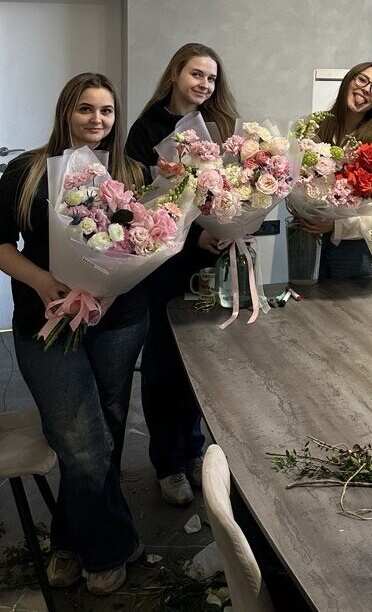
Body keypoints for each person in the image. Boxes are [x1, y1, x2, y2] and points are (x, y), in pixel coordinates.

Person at [0, 73, 147, 595]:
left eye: (106, 111)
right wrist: (43, 282)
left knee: (103, 432)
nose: (97, 119)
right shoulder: (27, 170)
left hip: (117, 323)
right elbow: (1, 244)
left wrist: (111, 289)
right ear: (66, 111)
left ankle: (66, 538)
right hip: (45, 321)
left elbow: (146, 244)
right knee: (82, 441)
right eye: (86, 108)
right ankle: (110, 547)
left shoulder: (131, 172)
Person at [126, 43, 238, 506]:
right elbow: (139, 201)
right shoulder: (145, 129)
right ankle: (168, 463)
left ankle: (194, 451)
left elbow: (230, 191)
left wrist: (228, 227)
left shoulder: (220, 127)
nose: (204, 85)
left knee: (198, 362)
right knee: (162, 364)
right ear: (175, 73)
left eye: (211, 78)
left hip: (207, 263)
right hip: (163, 263)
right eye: (196, 74)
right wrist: (194, 237)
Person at [299, 61, 372, 279]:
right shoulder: (312, 125)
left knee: (350, 302)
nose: (366, 89)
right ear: (349, 80)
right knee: (305, 299)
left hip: (353, 249)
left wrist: (336, 225)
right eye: (362, 80)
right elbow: (289, 177)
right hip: (307, 234)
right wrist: (299, 207)